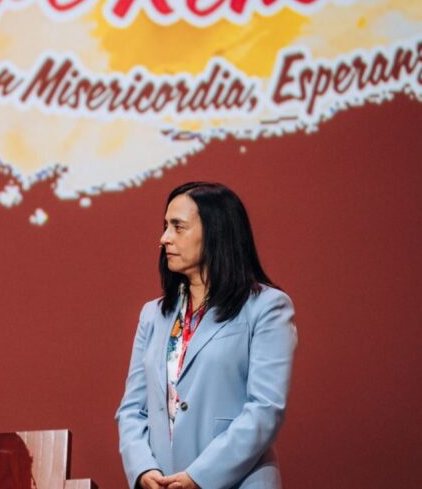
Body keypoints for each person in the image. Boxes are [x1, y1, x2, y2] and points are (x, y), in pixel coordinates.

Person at [116, 182, 297, 489]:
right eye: (165, 226)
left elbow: (265, 409)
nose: (164, 239)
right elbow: (132, 409)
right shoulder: (153, 314)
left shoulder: (266, 307)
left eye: (178, 227)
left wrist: (200, 476)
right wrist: (143, 468)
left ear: (216, 232)